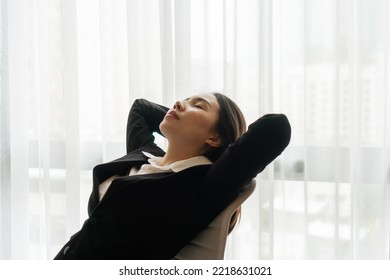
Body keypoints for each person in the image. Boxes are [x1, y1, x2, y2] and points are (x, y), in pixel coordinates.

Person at [54, 92, 291, 260]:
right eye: (184, 99)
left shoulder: (203, 184)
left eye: (198, 106)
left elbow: (276, 128)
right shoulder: (145, 155)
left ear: (215, 138)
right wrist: (182, 113)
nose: (178, 103)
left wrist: (220, 141)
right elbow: (140, 108)